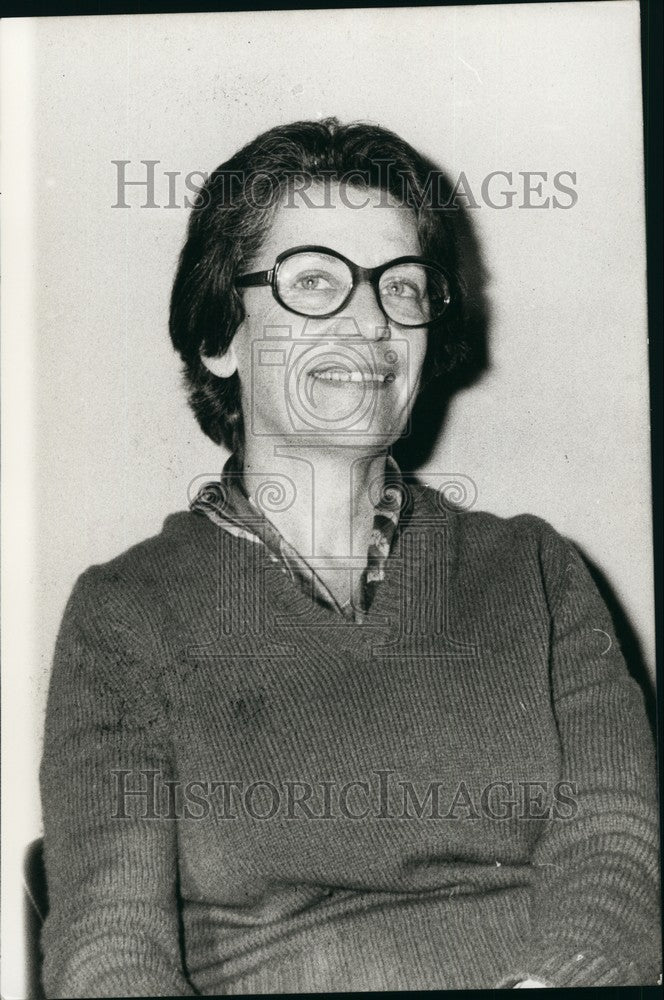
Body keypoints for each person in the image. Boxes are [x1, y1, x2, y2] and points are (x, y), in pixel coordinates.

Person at [39, 118, 660, 996]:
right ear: (221, 335)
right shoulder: (126, 613)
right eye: (316, 282)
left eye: (402, 287)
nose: (371, 320)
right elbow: (109, 950)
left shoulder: (536, 569)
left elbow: (617, 848)